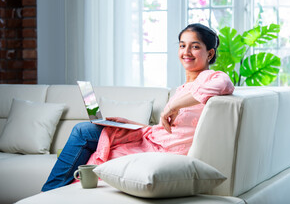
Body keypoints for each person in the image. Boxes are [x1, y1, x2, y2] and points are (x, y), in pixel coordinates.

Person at [41, 23, 235, 192]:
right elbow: (170, 131)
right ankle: (60, 194)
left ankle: (50, 193)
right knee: (86, 132)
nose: (186, 52)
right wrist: (133, 124)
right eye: (182, 46)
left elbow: (225, 84)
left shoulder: (213, 77)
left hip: (160, 148)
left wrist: (173, 105)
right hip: (150, 137)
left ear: (210, 53)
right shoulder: (183, 88)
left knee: (82, 132)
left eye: (195, 47)